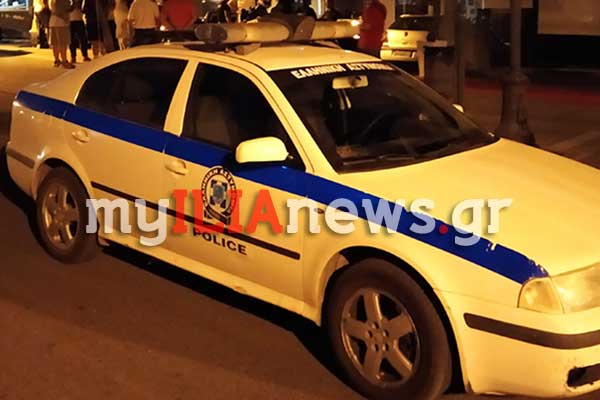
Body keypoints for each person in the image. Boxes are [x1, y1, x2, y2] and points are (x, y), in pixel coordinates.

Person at [49, 0, 74, 68]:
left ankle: (57, 60)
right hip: (61, 22)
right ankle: (64, 61)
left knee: (55, 43)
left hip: (53, 21)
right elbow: (64, 9)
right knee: (62, 43)